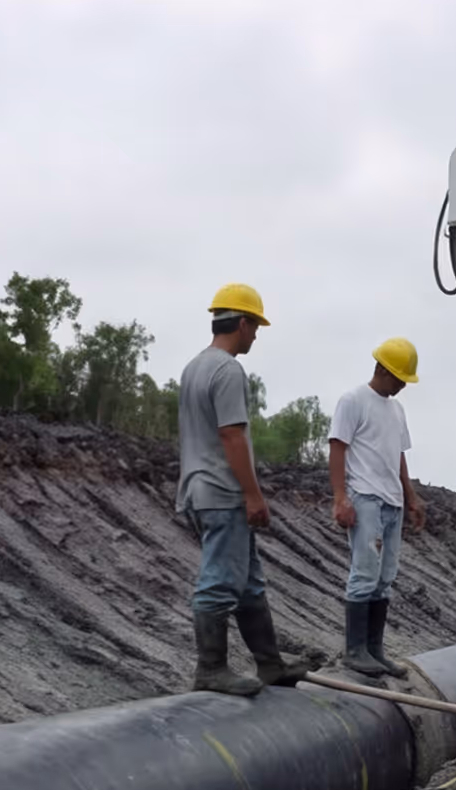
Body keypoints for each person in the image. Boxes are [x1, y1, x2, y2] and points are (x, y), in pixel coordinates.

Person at [176, 283, 310, 695]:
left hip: (198, 488)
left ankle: (269, 664)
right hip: (222, 492)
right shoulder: (228, 370)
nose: (256, 336)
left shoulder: (194, 366)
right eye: (255, 327)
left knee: (248, 582)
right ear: (242, 322)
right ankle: (211, 669)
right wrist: (252, 494)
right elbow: (232, 436)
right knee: (220, 582)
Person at [328, 337, 428, 680]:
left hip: (392, 502)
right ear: (382, 369)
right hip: (366, 498)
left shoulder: (396, 410)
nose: (402, 385)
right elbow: (338, 449)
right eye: (398, 378)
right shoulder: (353, 401)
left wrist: (411, 496)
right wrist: (340, 498)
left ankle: (374, 649)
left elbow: (398, 456)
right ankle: (355, 651)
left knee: (385, 578)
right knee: (365, 573)